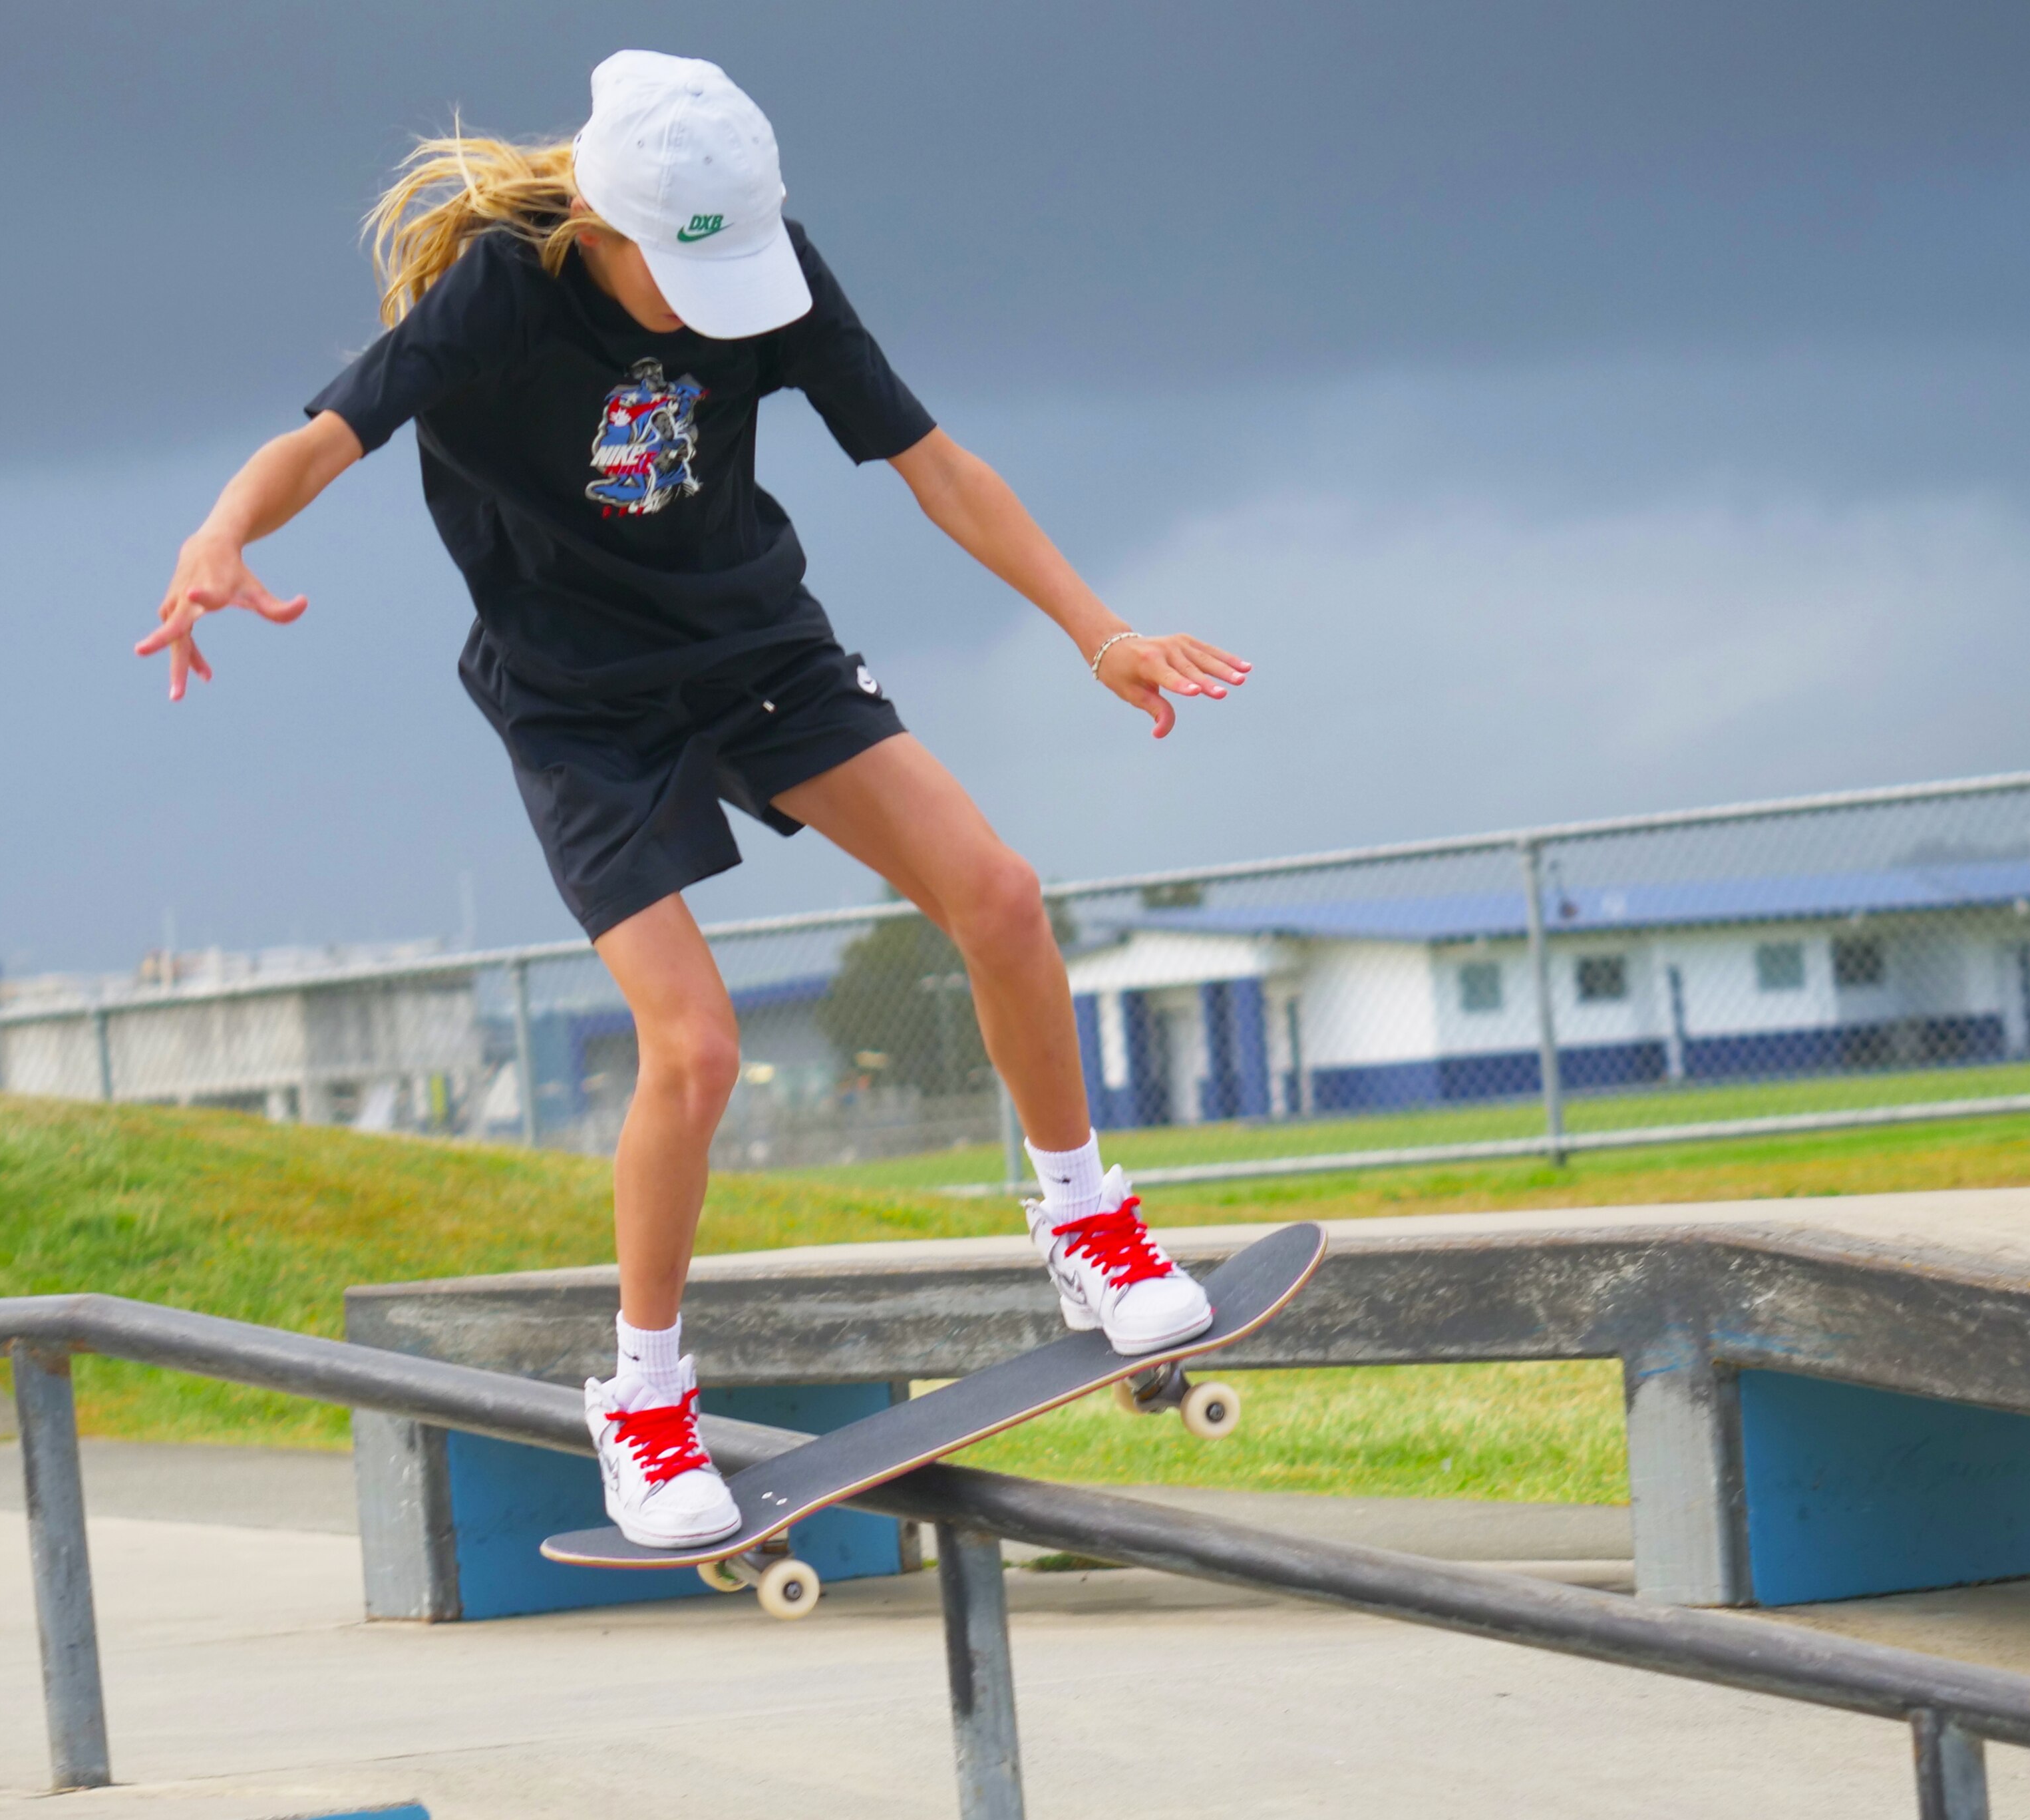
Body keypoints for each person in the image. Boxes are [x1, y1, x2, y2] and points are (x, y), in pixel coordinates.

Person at [140, 50, 1248, 1548]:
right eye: (675, 275)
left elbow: (936, 465)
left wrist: (1097, 629)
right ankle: (646, 1402)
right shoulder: (497, 291)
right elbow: (322, 439)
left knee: (996, 894)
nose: (706, 308)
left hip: (753, 649)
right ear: (601, 225)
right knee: (699, 1048)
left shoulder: (777, 274)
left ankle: (1082, 1224)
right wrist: (219, 532)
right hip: (578, 705)